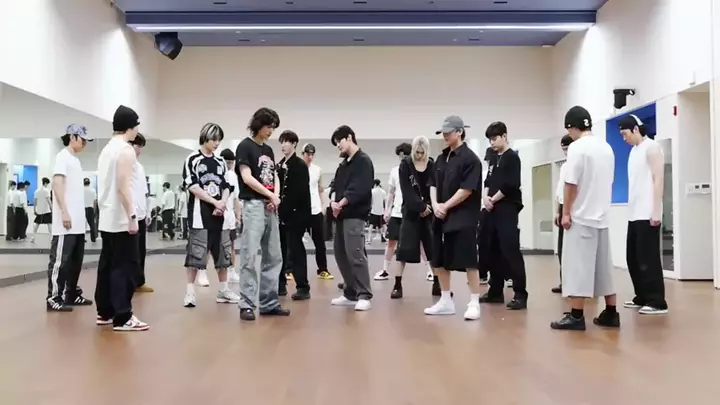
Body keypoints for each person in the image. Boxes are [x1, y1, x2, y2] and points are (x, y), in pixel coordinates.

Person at [551, 105, 618, 331]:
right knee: (604, 268)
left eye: (568, 130)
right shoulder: (606, 147)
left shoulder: (577, 147)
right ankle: (611, 313)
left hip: (580, 217)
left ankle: (576, 315)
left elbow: (571, 183)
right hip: (602, 216)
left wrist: (566, 213)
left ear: (572, 127)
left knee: (577, 267)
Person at [95, 105, 149, 331]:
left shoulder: (107, 149)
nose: (137, 129)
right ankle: (123, 316)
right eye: (136, 125)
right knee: (123, 266)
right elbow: (123, 187)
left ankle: (105, 312)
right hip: (121, 219)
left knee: (107, 265)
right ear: (130, 127)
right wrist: (132, 216)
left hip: (107, 217)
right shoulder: (125, 150)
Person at [424, 116, 483, 321]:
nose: (445, 136)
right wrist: (435, 205)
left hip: (463, 218)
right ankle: (445, 300)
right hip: (440, 217)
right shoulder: (441, 158)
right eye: (443, 133)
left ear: (459, 132)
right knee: (438, 260)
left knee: (469, 260)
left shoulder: (471, 159)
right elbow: (432, 184)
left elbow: (467, 189)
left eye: (449, 132)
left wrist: (445, 206)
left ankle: (474, 302)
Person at [235, 107, 290, 321]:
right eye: (268, 126)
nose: (270, 131)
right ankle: (246, 304)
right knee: (249, 256)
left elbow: (274, 176)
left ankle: (269, 303)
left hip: (269, 206)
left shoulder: (268, 150)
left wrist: (275, 196)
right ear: (258, 124)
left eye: (273, 127)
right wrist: (269, 195)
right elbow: (247, 177)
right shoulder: (245, 146)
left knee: (274, 256)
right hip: (253, 205)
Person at [181, 123, 239, 308]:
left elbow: (226, 186)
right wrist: (214, 202)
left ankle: (223, 290)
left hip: (220, 216)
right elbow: (192, 186)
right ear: (205, 138)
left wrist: (222, 203)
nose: (216, 143)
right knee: (196, 255)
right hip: (200, 216)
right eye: (214, 139)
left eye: (219, 140)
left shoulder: (220, 161)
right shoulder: (192, 159)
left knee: (223, 255)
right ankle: (190, 293)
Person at [619, 114, 668, 315]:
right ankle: (642, 296)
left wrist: (656, 211)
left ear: (636, 129)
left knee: (648, 258)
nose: (624, 138)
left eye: (625, 134)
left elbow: (658, 179)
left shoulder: (652, 147)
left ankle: (657, 301)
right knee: (633, 258)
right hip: (634, 213)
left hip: (648, 212)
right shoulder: (634, 151)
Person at [478, 121, 528, 310]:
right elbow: (488, 181)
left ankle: (520, 294)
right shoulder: (493, 158)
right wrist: (485, 197)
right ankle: (495, 291)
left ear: (504, 136)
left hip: (507, 207)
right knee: (493, 249)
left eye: (495, 138)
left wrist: (494, 199)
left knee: (510, 250)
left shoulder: (512, 158)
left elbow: (511, 184)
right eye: (490, 139)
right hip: (491, 208)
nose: (492, 142)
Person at [46, 124, 94, 312]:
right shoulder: (62, 157)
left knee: (75, 262)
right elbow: (57, 183)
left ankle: (71, 294)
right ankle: (53, 297)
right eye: (83, 140)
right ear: (72, 137)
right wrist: (64, 211)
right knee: (60, 262)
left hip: (78, 224)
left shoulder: (75, 160)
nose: (85, 144)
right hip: (65, 222)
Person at [329, 125, 375, 311]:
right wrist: (333, 201)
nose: (338, 146)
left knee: (355, 254)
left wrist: (341, 203)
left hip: (355, 215)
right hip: (340, 216)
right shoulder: (343, 165)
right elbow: (334, 186)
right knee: (340, 254)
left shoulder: (363, 161)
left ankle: (364, 294)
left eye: (339, 141)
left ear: (349, 138)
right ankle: (350, 292)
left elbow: (360, 188)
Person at [391, 135, 437, 298]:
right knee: (403, 250)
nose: (419, 155)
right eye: (417, 152)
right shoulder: (406, 165)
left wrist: (428, 207)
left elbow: (434, 187)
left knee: (433, 249)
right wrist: (420, 207)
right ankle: (397, 285)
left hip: (429, 212)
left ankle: (438, 283)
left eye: (422, 152)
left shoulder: (431, 165)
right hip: (411, 212)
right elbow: (407, 191)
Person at [277, 130, 312, 300]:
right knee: (280, 250)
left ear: (294, 144)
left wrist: (289, 209)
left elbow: (300, 193)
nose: (283, 145)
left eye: (286, 142)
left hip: (297, 215)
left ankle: (303, 287)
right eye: (281, 142)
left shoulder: (300, 165)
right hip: (281, 215)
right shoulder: (280, 165)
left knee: (296, 250)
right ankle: (280, 284)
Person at [374, 143, 410, 281]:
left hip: (411, 212)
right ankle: (385, 270)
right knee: (391, 241)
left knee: (421, 243)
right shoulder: (395, 171)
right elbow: (391, 192)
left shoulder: (416, 170)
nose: (402, 158)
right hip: (397, 211)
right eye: (400, 156)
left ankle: (430, 271)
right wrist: (387, 210)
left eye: (404, 156)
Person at [301, 143, 334, 280]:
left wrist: (324, 205)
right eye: (307, 154)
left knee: (320, 242)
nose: (310, 157)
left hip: (315, 210)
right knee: (294, 242)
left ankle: (323, 269)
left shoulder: (317, 170)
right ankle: (290, 270)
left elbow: (320, 189)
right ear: (302, 154)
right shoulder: (296, 168)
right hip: (300, 211)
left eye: (312, 154)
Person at [130, 133, 153, 293]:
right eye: (137, 146)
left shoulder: (140, 167)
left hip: (141, 215)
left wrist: (147, 212)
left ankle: (139, 282)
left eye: (140, 147)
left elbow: (144, 193)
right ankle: (129, 283)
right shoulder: (125, 166)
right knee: (131, 252)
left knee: (141, 250)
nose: (139, 151)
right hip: (130, 216)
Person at [552, 135, 574, 294]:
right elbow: (560, 191)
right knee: (562, 248)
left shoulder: (577, 165)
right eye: (564, 149)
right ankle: (564, 282)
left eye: (568, 149)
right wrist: (557, 211)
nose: (566, 152)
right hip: (561, 206)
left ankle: (575, 284)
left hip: (572, 207)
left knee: (573, 249)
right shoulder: (565, 166)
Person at [219, 148, 242, 284]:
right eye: (227, 162)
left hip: (230, 217)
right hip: (218, 216)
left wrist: (238, 216)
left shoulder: (233, 176)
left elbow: (236, 198)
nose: (229, 165)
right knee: (216, 246)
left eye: (231, 163)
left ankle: (232, 271)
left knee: (231, 245)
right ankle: (204, 272)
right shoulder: (217, 173)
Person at [31, 177, 52, 243]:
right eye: (47, 184)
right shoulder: (47, 190)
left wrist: (34, 210)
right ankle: (51, 238)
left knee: (37, 224)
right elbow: (48, 200)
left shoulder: (36, 191)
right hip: (46, 210)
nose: (47, 185)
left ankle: (33, 237)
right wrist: (52, 207)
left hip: (39, 211)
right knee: (49, 224)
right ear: (45, 183)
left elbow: (35, 201)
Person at [83, 178, 98, 243]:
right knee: (92, 224)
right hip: (90, 208)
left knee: (83, 225)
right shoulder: (93, 190)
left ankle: (82, 239)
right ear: (89, 183)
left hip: (82, 208)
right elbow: (94, 201)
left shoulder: (81, 190)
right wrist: (94, 210)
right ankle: (93, 238)